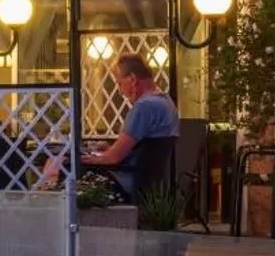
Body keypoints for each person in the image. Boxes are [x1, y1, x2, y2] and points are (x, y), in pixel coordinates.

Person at [44, 53, 179, 200]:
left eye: (119, 83)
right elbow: (142, 151)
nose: (120, 91)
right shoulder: (166, 103)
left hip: (126, 181)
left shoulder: (144, 107)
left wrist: (81, 158)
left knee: (63, 165)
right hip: (147, 182)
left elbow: (113, 158)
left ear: (132, 79)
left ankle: (45, 204)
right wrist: (108, 149)